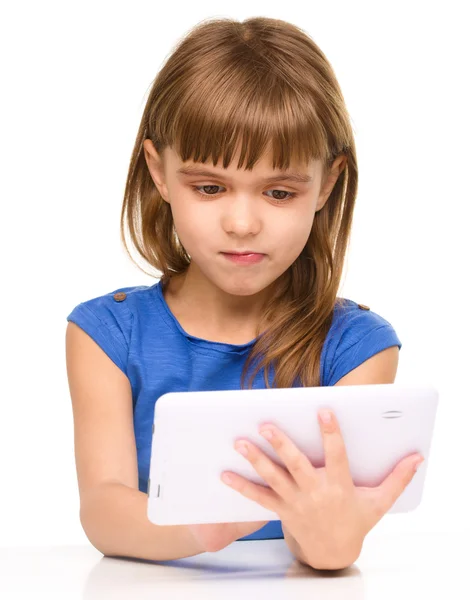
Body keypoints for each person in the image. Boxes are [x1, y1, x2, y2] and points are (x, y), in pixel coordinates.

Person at [65, 16, 402, 562]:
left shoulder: (358, 347)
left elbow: (320, 546)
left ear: (328, 183)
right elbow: (103, 508)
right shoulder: (107, 334)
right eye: (209, 187)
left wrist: (333, 541)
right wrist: (205, 528)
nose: (242, 223)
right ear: (158, 170)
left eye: (277, 192)